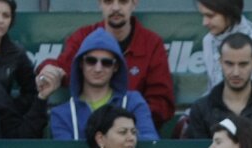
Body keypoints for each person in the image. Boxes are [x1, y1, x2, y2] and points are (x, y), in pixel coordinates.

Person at [35, 0, 174, 131]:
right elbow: (62, 69)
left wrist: (129, 125)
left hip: (132, 132)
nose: (115, 8)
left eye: (123, 1)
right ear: (99, 3)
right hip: (87, 129)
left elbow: (161, 102)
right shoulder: (84, 36)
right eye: (108, 1)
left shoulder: (152, 43)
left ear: (135, 2)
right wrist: (48, 69)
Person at [49, 27, 156, 142]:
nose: (98, 68)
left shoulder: (133, 102)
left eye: (106, 62)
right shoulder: (61, 114)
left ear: (115, 67)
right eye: (91, 61)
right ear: (81, 63)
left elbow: (149, 143)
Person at [183, 32, 252, 141]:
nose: (236, 72)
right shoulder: (201, 109)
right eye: (229, 64)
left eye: (243, 64)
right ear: (220, 62)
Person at [0, 0, 46, 132]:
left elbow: (32, 91)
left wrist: (10, 107)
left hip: (5, 127)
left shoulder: (17, 53)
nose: (0, 20)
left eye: (6, 16)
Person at [197, 0, 252, 94]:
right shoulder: (208, 40)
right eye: (203, 16)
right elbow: (213, 88)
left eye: (210, 16)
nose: (204, 23)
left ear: (229, 13)